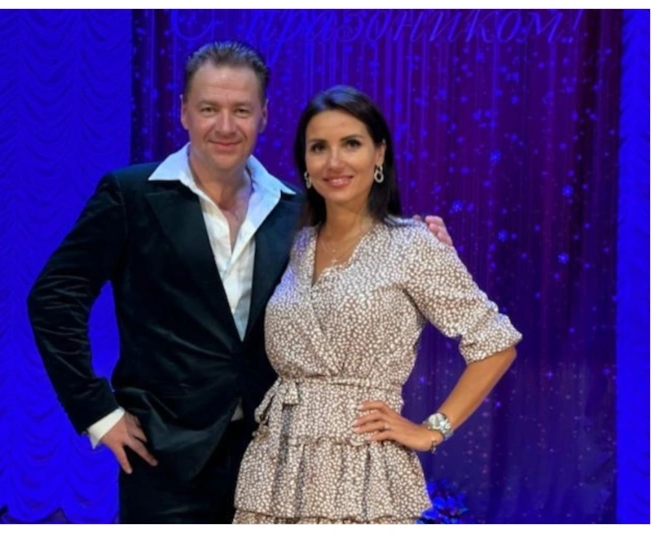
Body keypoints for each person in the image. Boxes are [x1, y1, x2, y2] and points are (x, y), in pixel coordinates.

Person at [27, 42, 452, 524]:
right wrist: (98, 413)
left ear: (264, 115)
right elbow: (54, 299)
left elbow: (359, 264)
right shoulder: (130, 195)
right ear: (184, 111)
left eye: (241, 110)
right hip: (164, 457)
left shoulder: (297, 209)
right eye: (209, 108)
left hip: (276, 456)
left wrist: (420, 239)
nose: (225, 126)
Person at [232, 85, 522, 524]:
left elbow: (496, 344)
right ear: (305, 163)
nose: (334, 162)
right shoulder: (294, 244)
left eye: (351, 144)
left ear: (379, 153)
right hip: (276, 469)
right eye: (319, 147)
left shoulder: (412, 244)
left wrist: (432, 430)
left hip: (363, 473)